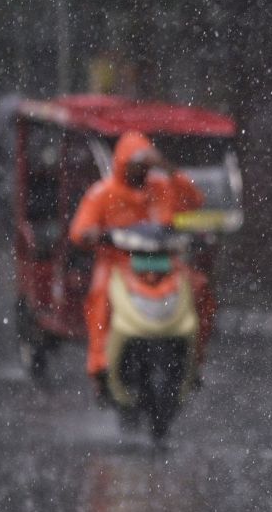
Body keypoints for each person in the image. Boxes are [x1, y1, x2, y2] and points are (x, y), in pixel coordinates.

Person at [68, 131, 211, 399]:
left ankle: (195, 359)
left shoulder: (163, 188)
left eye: (147, 165)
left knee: (200, 288)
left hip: (165, 263)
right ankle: (100, 364)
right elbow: (80, 230)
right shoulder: (103, 193)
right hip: (119, 264)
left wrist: (169, 169)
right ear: (123, 165)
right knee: (100, 297)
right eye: (137, 165)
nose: (143, 171)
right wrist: (93, 235)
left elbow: (195, 200)